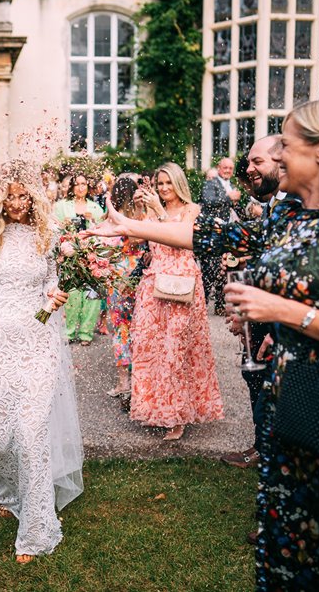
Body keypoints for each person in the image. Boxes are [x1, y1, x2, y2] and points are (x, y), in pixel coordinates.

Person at [89, 96, 319, 588]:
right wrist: (130, 226)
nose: (271, 157)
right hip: (291, 404)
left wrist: (282, 313)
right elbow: (214, 234)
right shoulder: (290, 218)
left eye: (285, 145)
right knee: (290, 552)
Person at [0, 160, 83, 563]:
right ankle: (8, 491)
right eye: (9, 196)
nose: (16, 203)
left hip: (37, 340)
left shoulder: (46, 233)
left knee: (30, 433)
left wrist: (54, 297)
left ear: (33, 195)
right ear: (0, 196)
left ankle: (36, 530)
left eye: (23, 195)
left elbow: (50, 281)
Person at [128, 163, 222, 441]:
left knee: (176, 350)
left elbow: (183, 240)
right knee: (150, 347)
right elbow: (134, 238)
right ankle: (156, 410)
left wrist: (157, 211)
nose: (164, 189)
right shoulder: (153, 208)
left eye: (168, 183)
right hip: (153, 284)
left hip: (182, 286)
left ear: (178, 183)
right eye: (160, 184)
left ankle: (177, 417)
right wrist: (140, 211)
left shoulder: (191, 209)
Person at [220, 135, 282, 472]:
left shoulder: (294, 209)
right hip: (261, 318)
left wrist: (279, 327)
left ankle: (269, 453)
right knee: (254, 379)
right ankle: (262, 446)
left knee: (271, 396)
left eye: (257, 162)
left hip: (281, 324)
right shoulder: (271, 208)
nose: (248, 169)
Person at [102, 176, 148, 401]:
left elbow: (104, 250)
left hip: (119, 277)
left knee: (121, 328)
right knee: (142, 326)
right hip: (141, 274)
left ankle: (123, 383)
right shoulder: (141, 218)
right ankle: (142, 381)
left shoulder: (112, 220)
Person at [53, 171, 105, 345]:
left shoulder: (96, 208)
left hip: (91, 256)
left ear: (88, 186)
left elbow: (103, 232)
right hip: (69, 256)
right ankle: (68, 332)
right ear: (72, 187)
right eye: (77, 184)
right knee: (72, 294)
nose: (81, 187)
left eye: (84, 184)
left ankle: (86, 333)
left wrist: (92, 222)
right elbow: (55, 229)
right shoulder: (61, 206)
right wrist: (65, 226)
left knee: (91, 295)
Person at [199, 157, 240, 315]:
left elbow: (235, 208)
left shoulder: (232, 185)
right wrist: (228, 198)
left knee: (225, 267)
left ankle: (221, 305)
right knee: (209, 269)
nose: (228, 171)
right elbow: (208, 201)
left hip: (227, 233)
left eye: (231, 168)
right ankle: (201, 303)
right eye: (225, 168)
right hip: (211, 232)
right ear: (219, 168)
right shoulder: (211, 184)